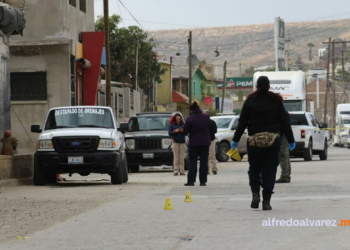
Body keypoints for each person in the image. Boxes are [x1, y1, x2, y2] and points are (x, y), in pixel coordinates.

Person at [231, 76, 295, 210]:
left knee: (254, 168)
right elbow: (285, 121)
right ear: (269, 86)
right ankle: (266, 201)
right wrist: (291, 139)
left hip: (254, 140)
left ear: (256, 86)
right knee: (270, 170)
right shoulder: (276, 100)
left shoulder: (250, 100)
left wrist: (235, 140)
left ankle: (255, 194)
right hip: (272, 141)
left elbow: (242, 122)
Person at [182, 101, 211, 186]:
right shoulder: (206, 117)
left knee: (192, 161)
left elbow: (185, 131)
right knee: (204, 161)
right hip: (205, 142)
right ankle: (203, 181)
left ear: (191, 110)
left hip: (194, 143)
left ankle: (191, 181)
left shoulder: (189, 119)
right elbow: (209, 126)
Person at [276, 111, 292, 183]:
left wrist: (291, 139)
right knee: (285, 156)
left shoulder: (282, 112)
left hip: (282, 135)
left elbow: (286, 125)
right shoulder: (282, 111)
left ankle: (285, 176)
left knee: (283, 155)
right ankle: (286, 175)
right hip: (281, 134)